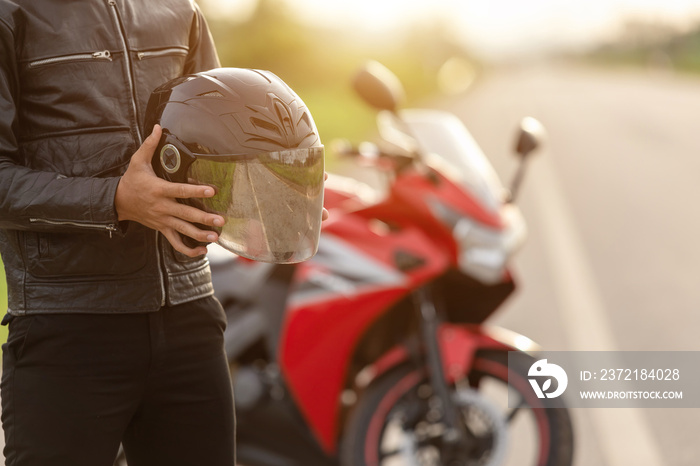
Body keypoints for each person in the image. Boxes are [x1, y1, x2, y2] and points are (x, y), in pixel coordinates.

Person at [0, 1, 236, 464]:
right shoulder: (12, 14)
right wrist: (116, 200)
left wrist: (274, 186)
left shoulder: (179, 9)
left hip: (191, 319)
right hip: (67, 328)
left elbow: (221, 137)